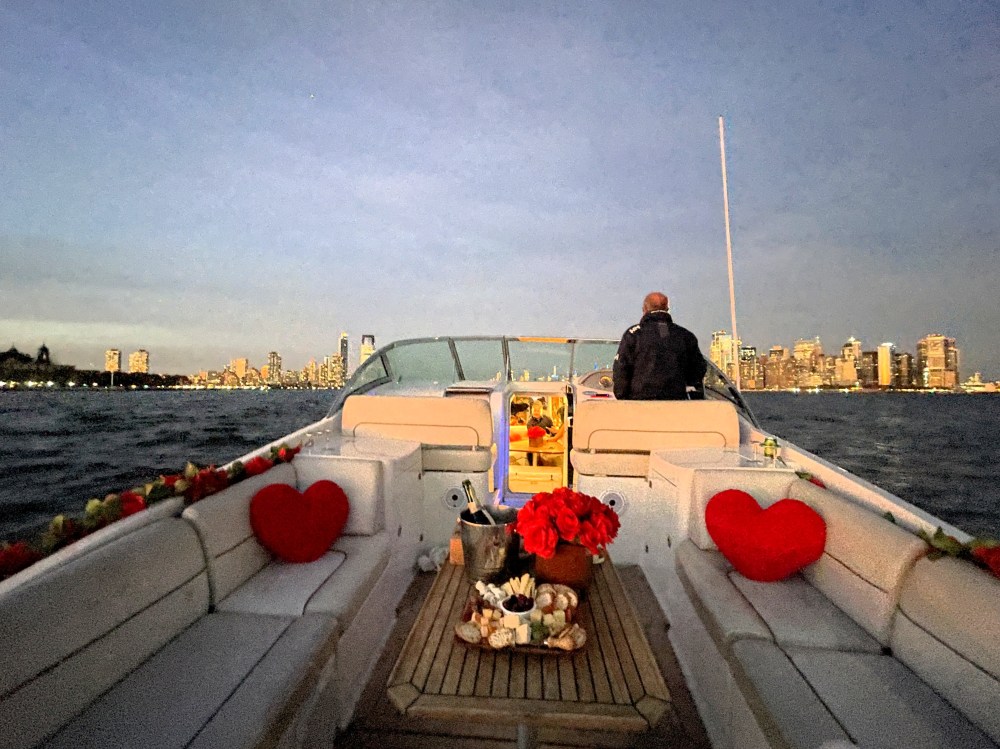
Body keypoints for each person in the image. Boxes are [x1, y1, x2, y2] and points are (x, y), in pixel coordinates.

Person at [613, 291, 708, 400]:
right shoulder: (685, 335)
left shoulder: (634, 334)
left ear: (644, 309)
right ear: (667, 309)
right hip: (676, 401)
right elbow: (699, 367)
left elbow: (621, 367)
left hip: (640, 401)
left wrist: (622, 396)